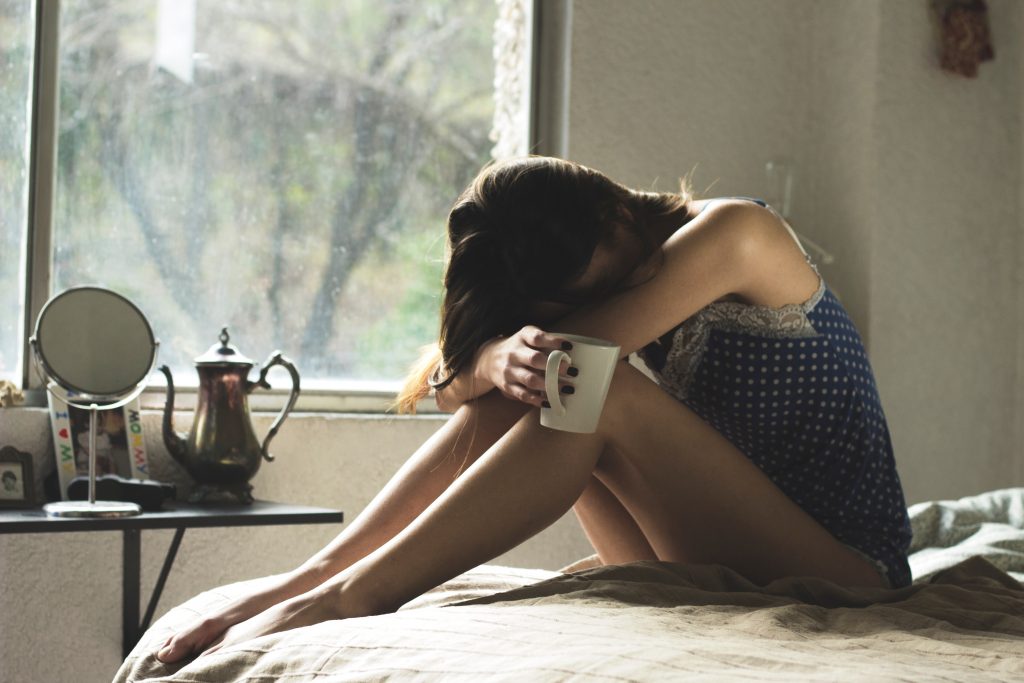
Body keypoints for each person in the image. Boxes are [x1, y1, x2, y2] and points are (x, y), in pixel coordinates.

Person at [156, 156, 912, 663]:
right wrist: (489, 355)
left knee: (585, 380)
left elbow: (570, 360)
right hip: (712, 556)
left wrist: (504, 356)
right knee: (542, 383)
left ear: (614, 211)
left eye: (597, 282)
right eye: (573, 299)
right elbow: (451, 386)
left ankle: (353, 594)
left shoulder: (738, 231)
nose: (603, 297)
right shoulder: (592, 271)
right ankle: (313, 578)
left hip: (842, 567)